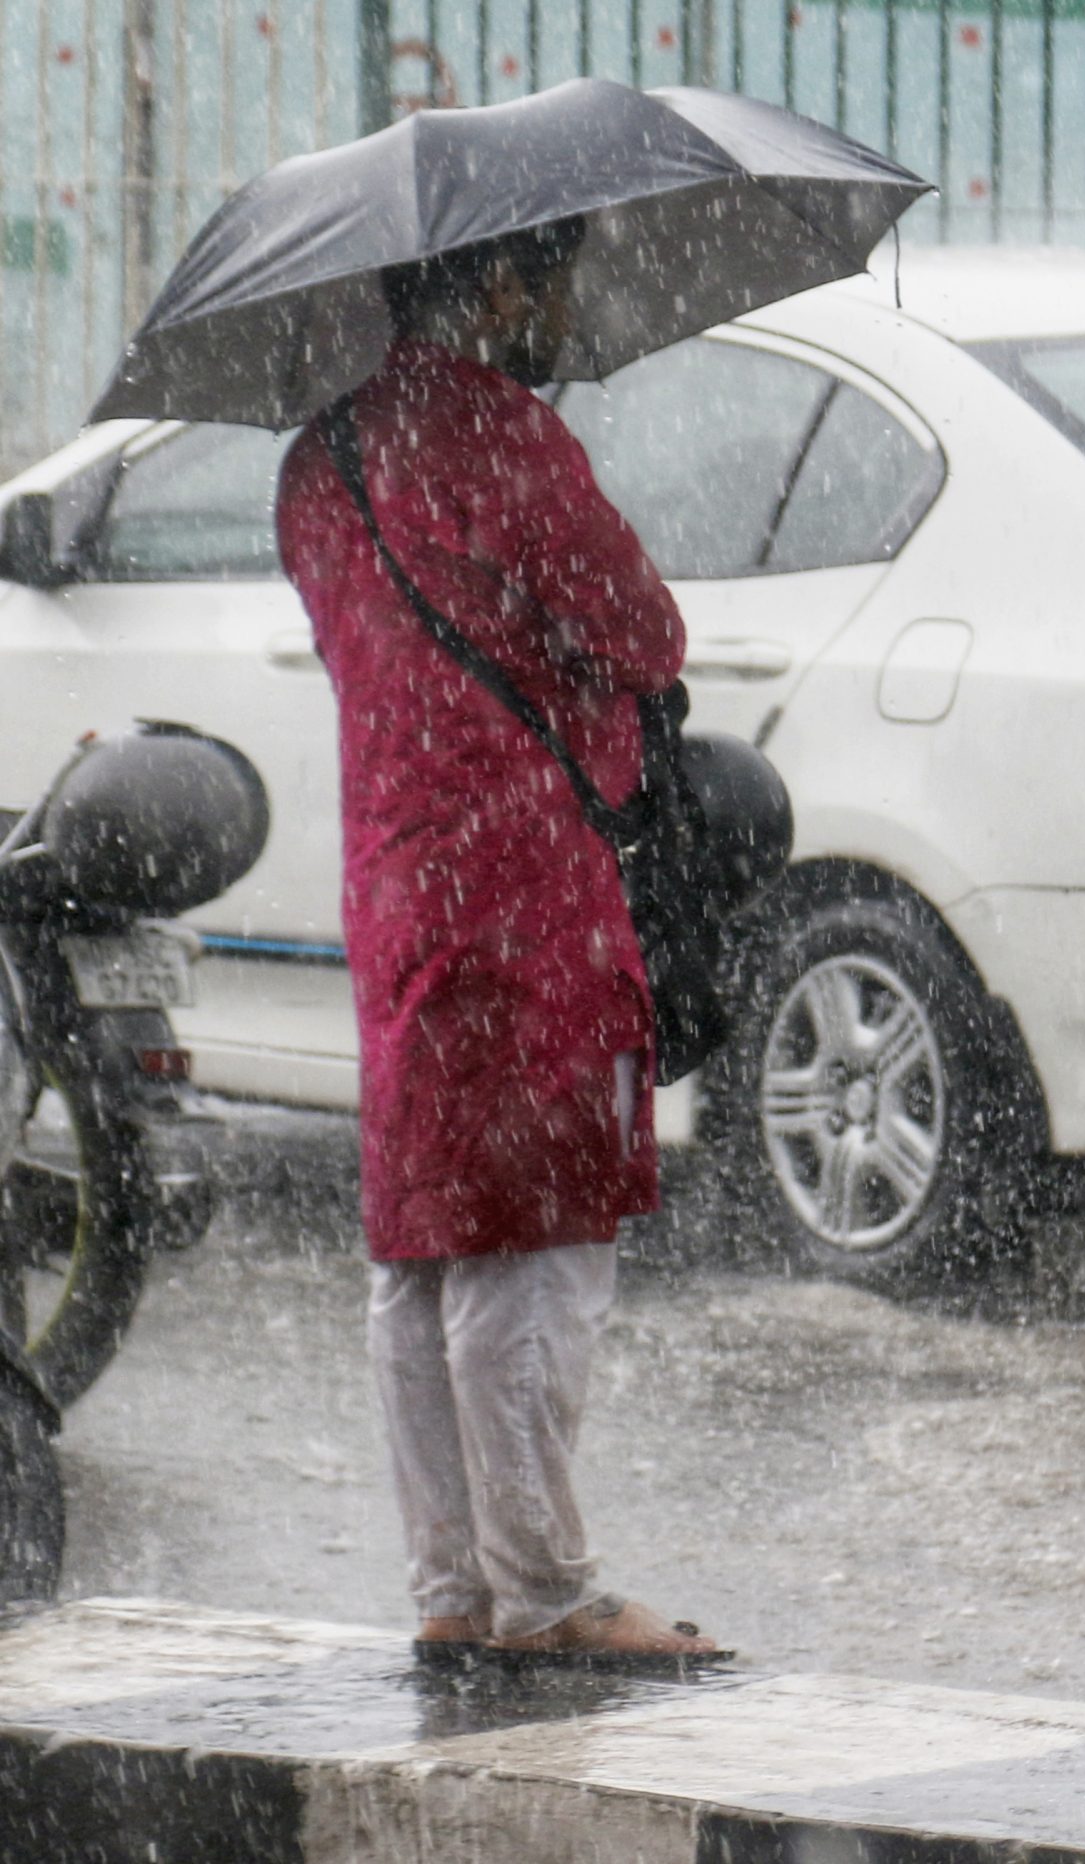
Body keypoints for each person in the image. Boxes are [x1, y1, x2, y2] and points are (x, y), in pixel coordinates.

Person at [274, 222, 721, 1668]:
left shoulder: (318, 465)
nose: (567, 311)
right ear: (502, 284)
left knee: (418, 1245)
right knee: (536, 1244)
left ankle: (453, 1587)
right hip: (529, 888)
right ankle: (550, 1595)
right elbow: (644, 632)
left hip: (398, 887)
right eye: (559, 280)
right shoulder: (502, 438)